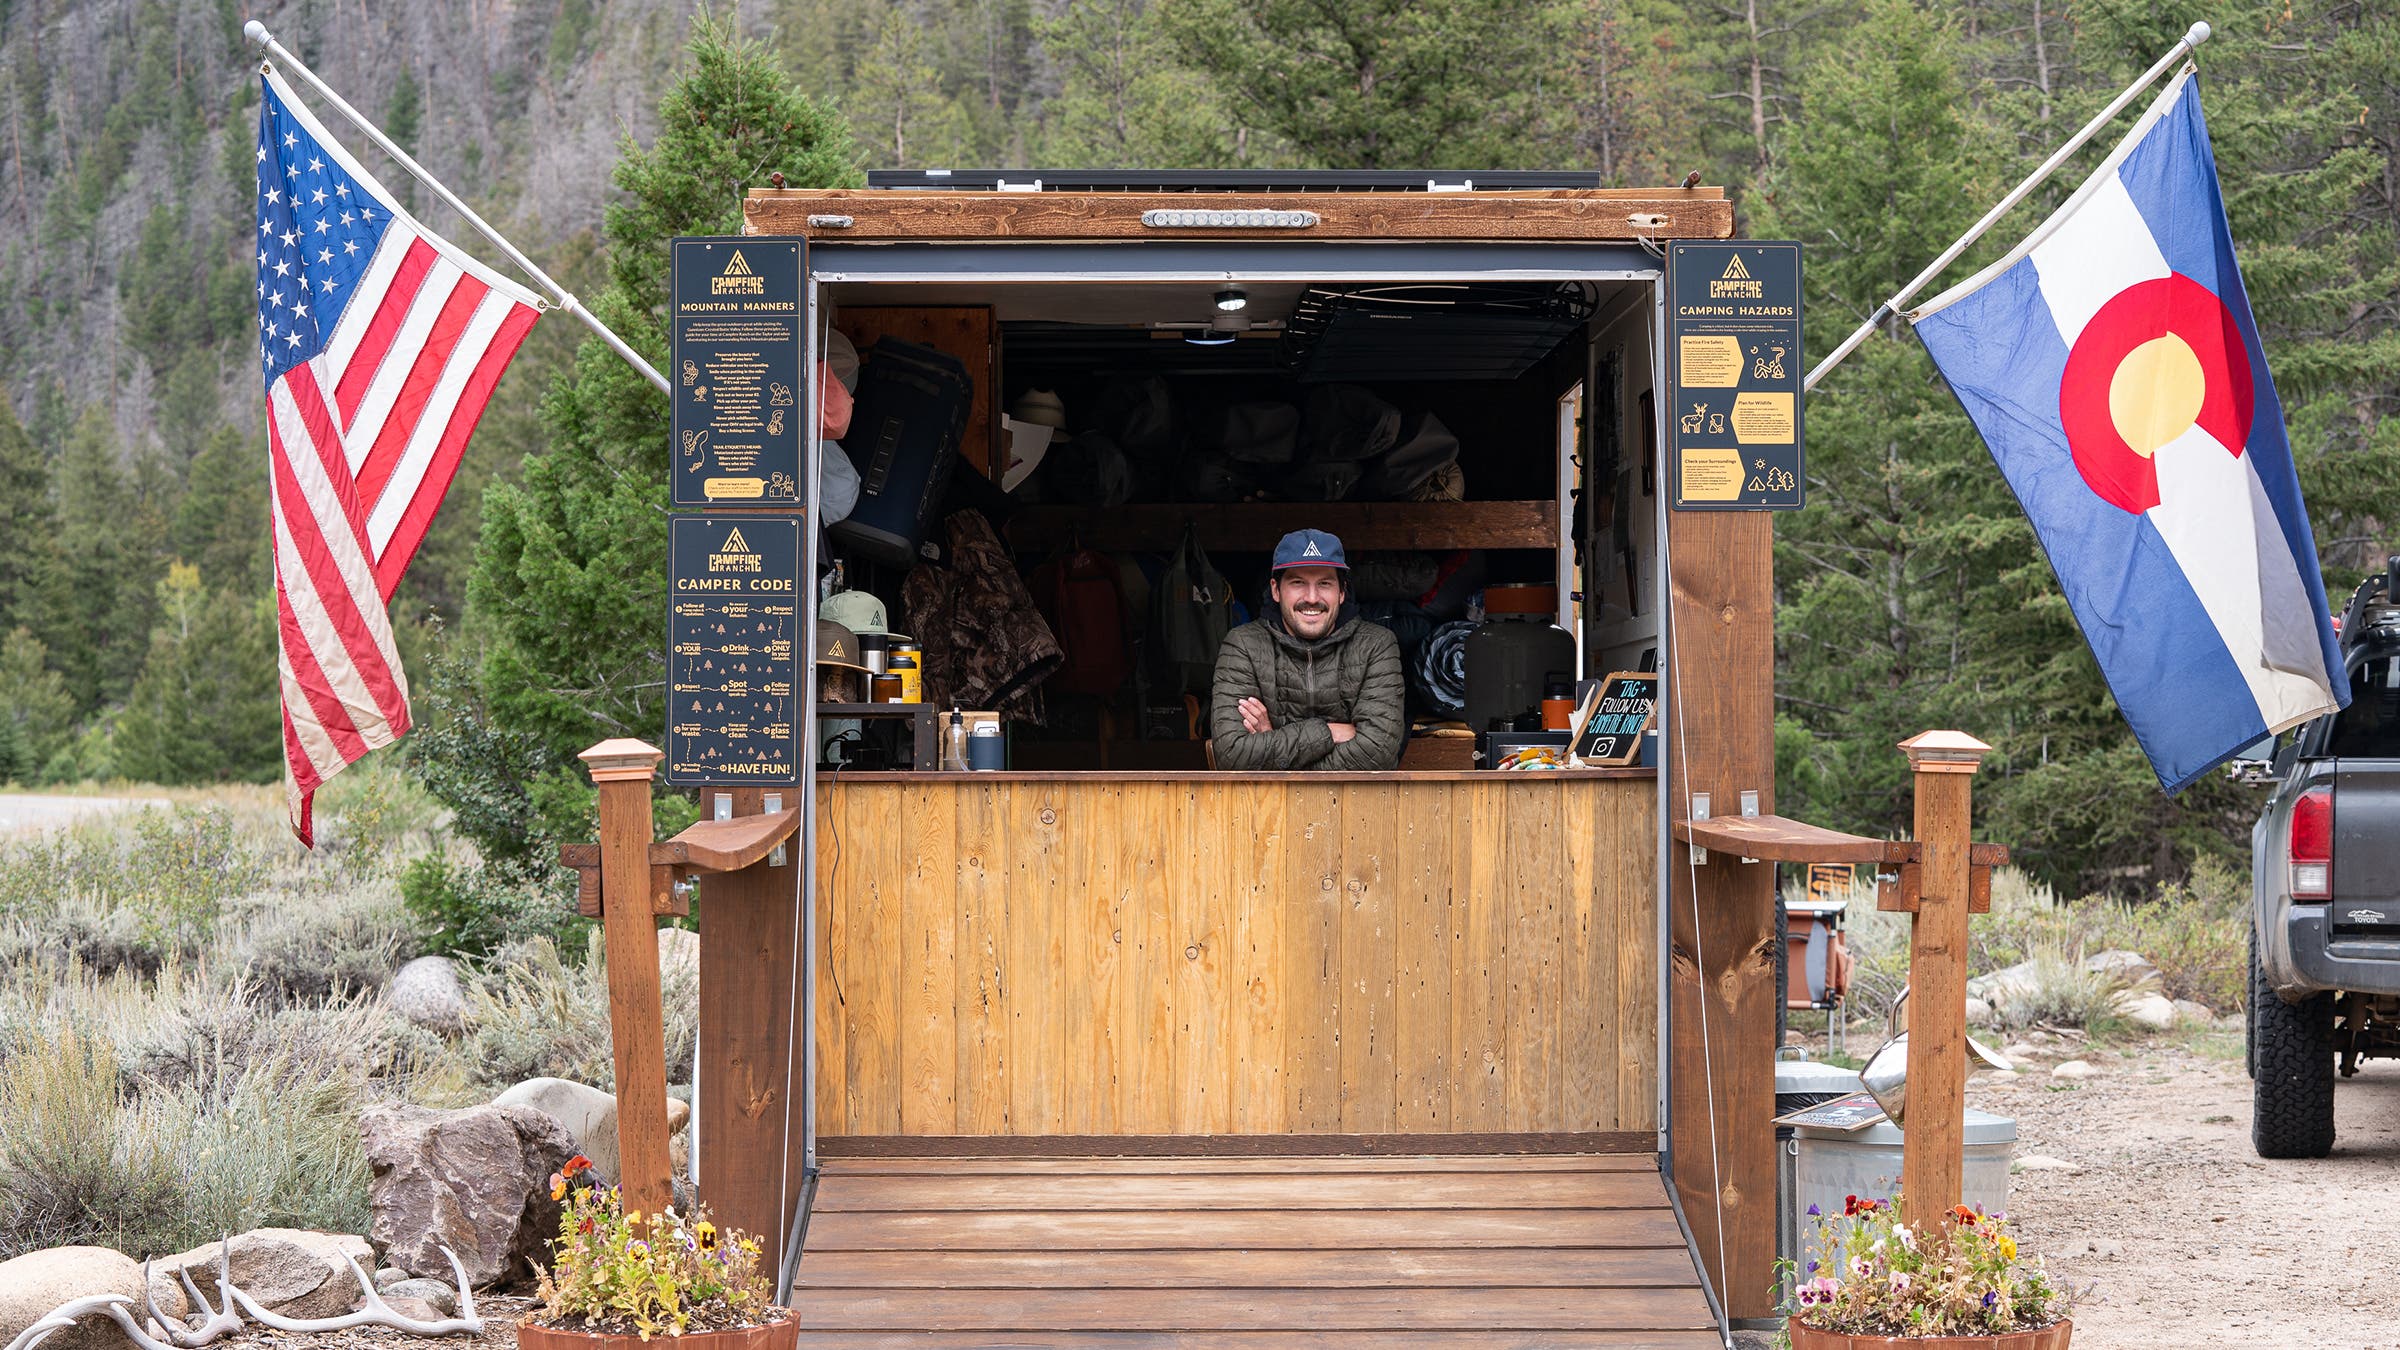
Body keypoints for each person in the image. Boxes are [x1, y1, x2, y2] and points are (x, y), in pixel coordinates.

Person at [1209, 529, 1406, 770]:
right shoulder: (1243, 645)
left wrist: (1272, 743)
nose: (1312, 597)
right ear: (1275, 590)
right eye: (1298, 583)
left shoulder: (1376, 645)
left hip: (1356, 804)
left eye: (1324, 583)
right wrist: (1328, 733)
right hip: (1267, 806)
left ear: (1341, 592)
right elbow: (1233, 755)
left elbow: (1378, 754)